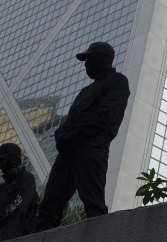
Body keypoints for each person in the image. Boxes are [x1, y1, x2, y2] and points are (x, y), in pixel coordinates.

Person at [37, 42, 130, 230]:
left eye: (89, 59)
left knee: (92, 199)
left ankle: (98, 234)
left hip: (92, 146)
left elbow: (105, 114)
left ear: (102, 59)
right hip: (69, 148)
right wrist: (62, 136)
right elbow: (69, 120)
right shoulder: (86, 91)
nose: (86, 64)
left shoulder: (118, 81)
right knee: (51, 202)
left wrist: (75, 134)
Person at [0, 144, 38, 241]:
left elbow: (17, 207)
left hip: (14, 235)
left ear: (13, 160)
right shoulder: (1, 187)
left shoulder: (27, 179)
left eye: (2, 160)